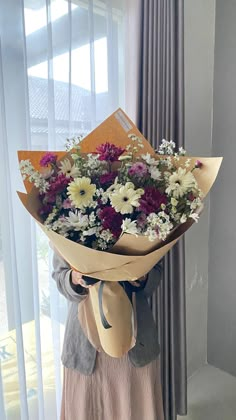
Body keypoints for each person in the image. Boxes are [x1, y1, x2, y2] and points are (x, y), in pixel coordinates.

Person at [52, 251, 165, 420]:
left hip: (135, 339)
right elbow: (61, 278)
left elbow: (156, 273)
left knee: (137, 406)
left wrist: (142, 277)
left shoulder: (142, 226)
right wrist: (75, 278)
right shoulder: (66, 227)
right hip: (85, 345)